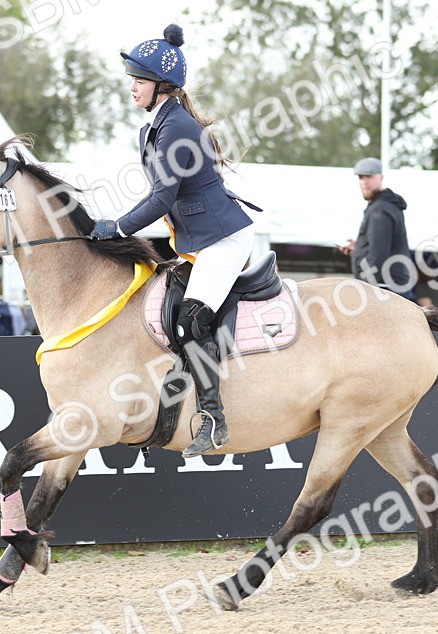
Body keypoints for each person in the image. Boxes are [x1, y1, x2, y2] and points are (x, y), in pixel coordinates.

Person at [89, 23, 260, 457]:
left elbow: (162, 197)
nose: (131, 87)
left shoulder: (176, 127)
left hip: (223, 239)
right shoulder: (155, 126)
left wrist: (119, 228)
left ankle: (213, 419)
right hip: (199, 240)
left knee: (188, 321)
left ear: (161, 86)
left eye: (139, 80)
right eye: (132, 79)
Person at [338, 157, 413, 298]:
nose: (364, 182)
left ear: (381, 177)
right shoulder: (388, 205)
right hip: (392, 285)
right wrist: (359, 248)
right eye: (361, 177)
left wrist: (363, 289)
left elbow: (378, 256)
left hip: (384, 287)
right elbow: (383, 246)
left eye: (369, 176)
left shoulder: (380, 209)